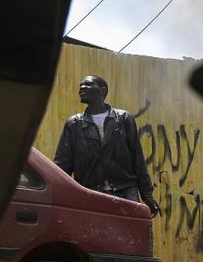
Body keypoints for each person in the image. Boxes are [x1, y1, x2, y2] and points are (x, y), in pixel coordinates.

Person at [54, 74, 160, 216]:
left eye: (88, 84)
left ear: (103, 90)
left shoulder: (123, 119)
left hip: (126, 191)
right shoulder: (74, 124)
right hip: (90, 194)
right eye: (80, 85)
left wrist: (147, 196)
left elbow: (137, 159)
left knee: (132, 235)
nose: (82, 87)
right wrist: (53, 195)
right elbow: (63, 164)